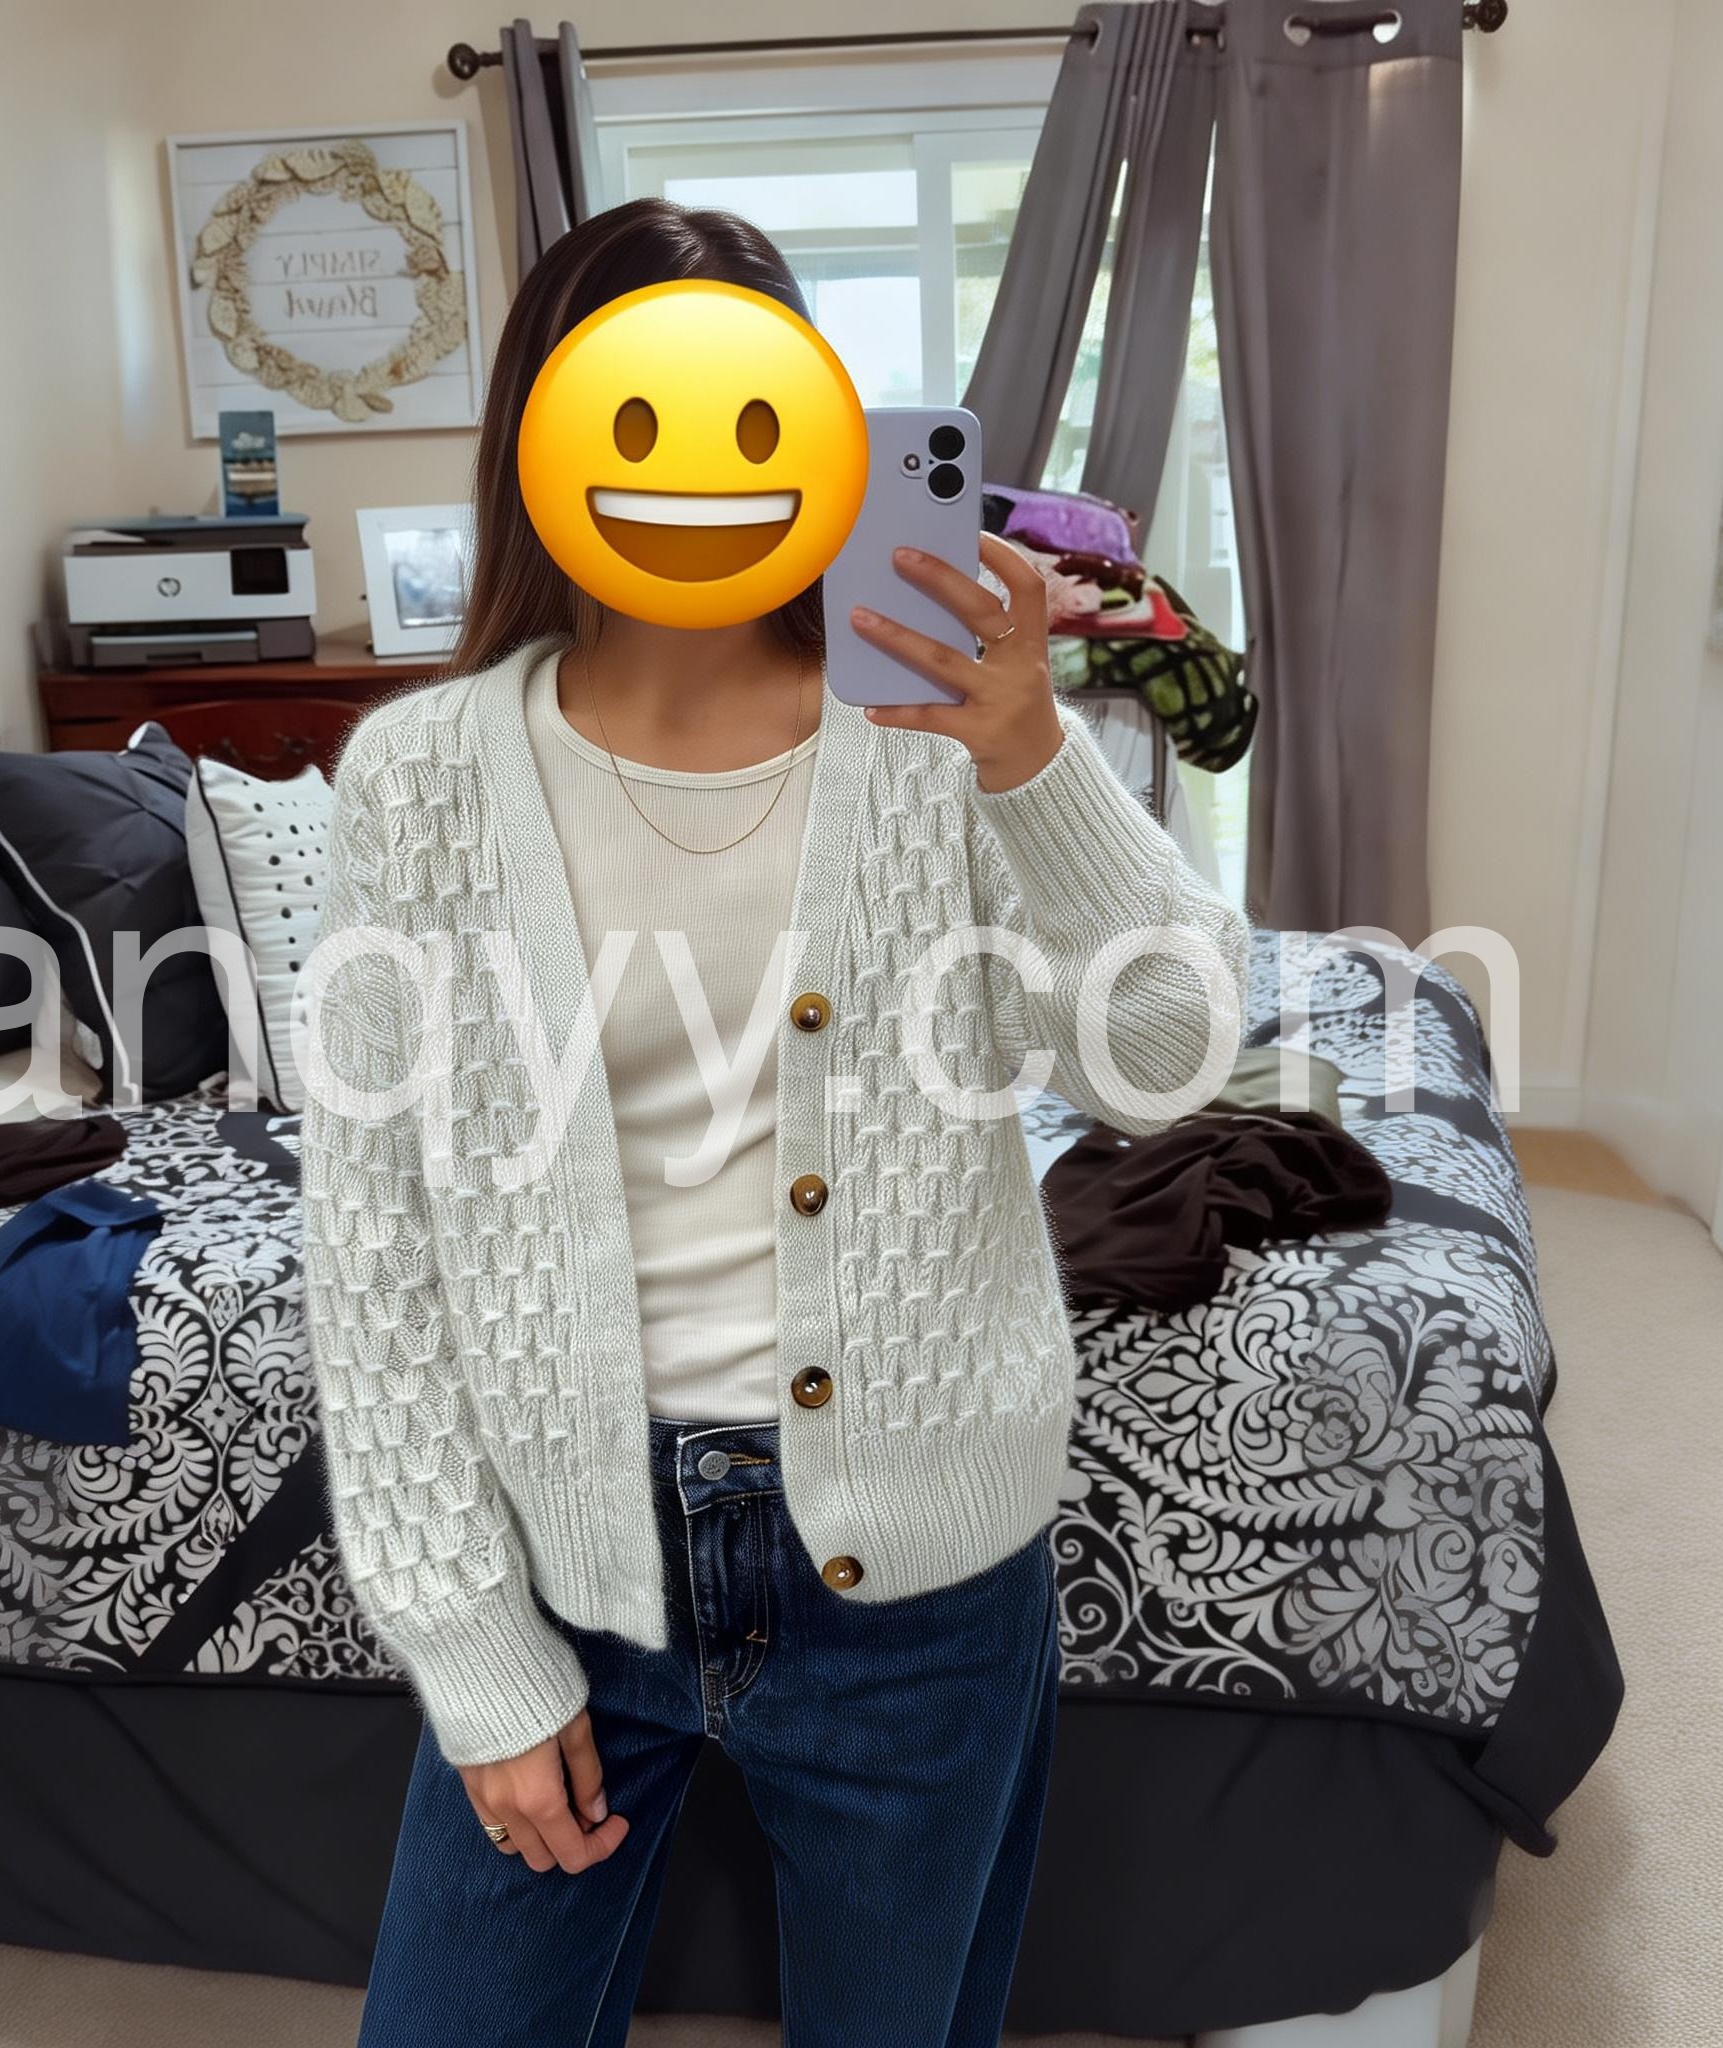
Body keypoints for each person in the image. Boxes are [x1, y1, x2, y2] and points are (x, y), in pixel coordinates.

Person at [300, 197, 1249, 2048]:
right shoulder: (417, 780)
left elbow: (1169, 1056)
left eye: (750, 413)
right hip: (568, 1563)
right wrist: (474, 1653)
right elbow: (371, 1240)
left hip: (922, 1583)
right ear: (548, 440)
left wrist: (1035, 761)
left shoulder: (940, 741)